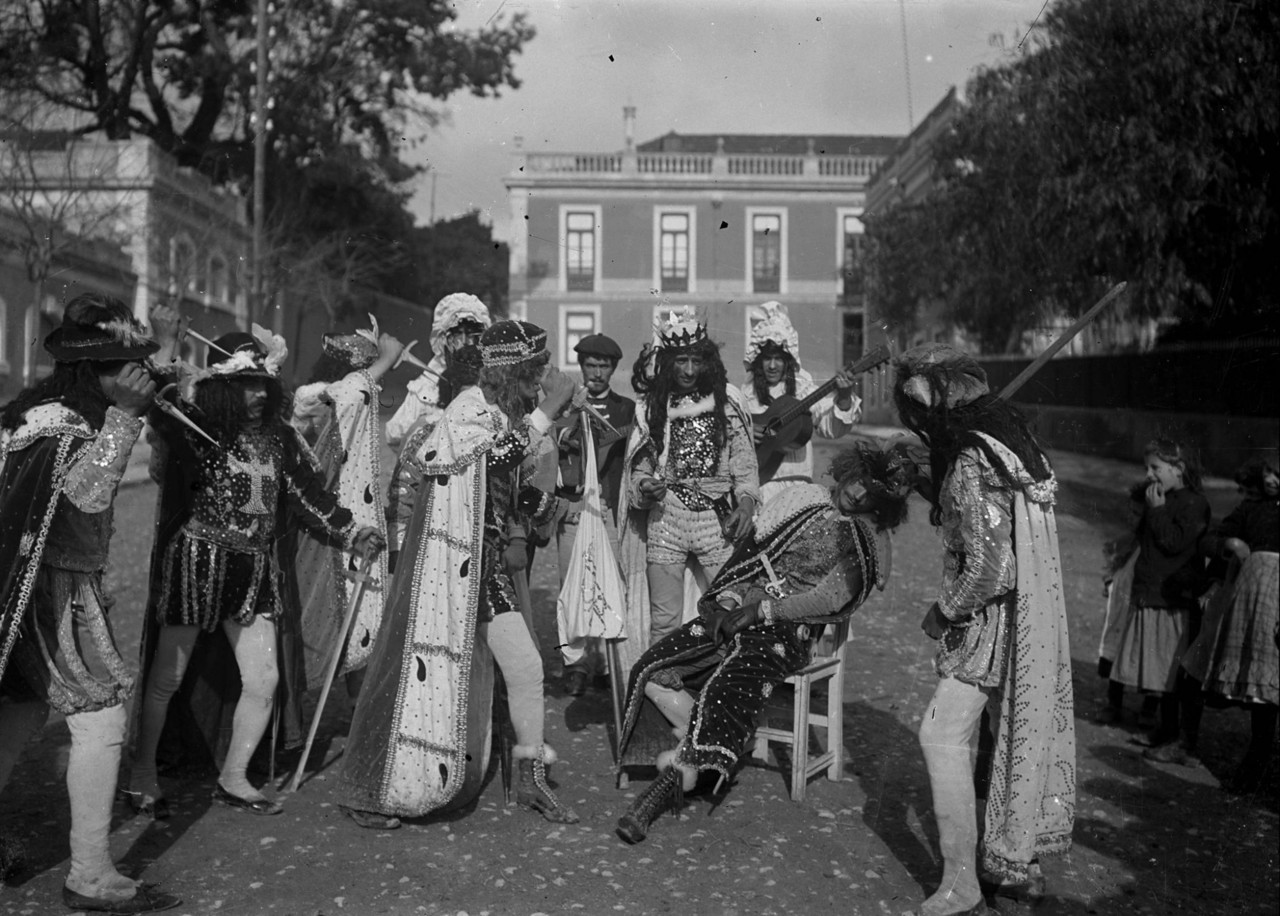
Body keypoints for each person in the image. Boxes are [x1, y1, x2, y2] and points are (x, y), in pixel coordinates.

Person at [127, 327, 383, 819]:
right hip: (197, 565)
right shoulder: (197, 427)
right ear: (224, 386)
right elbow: (158, 403)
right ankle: (141, 772)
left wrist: (352, 532)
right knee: (166, 679)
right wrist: (161, 352)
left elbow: (310, 497)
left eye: (259, 384)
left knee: (263, 679)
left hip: (253, 573)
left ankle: (235, 775)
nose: (254, 394)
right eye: (243, 383)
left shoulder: (280, 438)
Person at [337, 320, 581, 829]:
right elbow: (490, 460)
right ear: (512, 371)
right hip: (448, 573)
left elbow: (505, 488)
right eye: (535, 372)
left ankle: (532, 779)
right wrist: (546, 413)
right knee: (418, 676)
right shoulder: (467, 408)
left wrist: (548, 503)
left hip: (484, 567)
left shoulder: (501, 413)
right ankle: (382, 786)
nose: (540, 382)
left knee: (525, 669)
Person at [613, 439, 916, 844]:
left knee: (730, 684)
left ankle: (672, 781)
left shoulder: (862, 537)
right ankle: (709, 744)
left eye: (872, 494)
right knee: (653, 666)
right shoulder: (803, 498)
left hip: (789, 630)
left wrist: (763, 613)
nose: (858, 493)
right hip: (742, 611)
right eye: (860, 480)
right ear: (848, 470)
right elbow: (753, 560)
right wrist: (729, 600)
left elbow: (830, 599)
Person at [0, 294, 181, 912]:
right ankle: (90, 873)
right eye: (119, 367)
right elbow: (87, 499)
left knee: (19, 721)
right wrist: (126, 418)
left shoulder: (61, 413)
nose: (132, 378)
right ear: (88, 371)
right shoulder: (59, 425)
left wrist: (162, 344)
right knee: (101, 721)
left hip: (50, 593)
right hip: (45, 597)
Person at [894, 343, 1075, 916]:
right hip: (1029, 622)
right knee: (1013, 734)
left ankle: (962, 883)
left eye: (920, 415)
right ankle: (1018, 866)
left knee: (940, 736)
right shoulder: (1010, 444)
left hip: (988, 624)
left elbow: (992, 566)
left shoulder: (974, 457)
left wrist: (944, 610)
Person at [616, 308, 760, 685]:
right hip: (667, 520)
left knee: (733, 611)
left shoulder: (727, 403)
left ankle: (723, 689)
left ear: (708, 361)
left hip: (718, 522)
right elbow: (640, 472)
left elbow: (745, 467)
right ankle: (661, 700)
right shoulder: (651, 408)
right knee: (663, 620)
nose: (689, 370)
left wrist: (746, 503)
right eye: (681, 359)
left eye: (697, 360)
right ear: (667, 361)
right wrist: (647, 488)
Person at [289, 325, 405, 698]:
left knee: (365, 615)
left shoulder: (341, 395)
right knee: (330, 615)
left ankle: (360, 707)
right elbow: (351, 396)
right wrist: (385, 362)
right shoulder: (318, 401)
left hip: (355, 523)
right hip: (327, 525)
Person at [1109, 438, 1211, 760]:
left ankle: (1180, 740)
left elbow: (1172, 543)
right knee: (1162, 673)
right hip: (1156, 596)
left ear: (1178, 468)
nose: (1149, 474)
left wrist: (1158, 511)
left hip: (1175, 600)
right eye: (1147, 468)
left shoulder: (1193, 503)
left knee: (1174, 674)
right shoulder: (1162, 500)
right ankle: (1165, 731)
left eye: (1156, 468)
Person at [1182, 458, 1278, 790]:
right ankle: (1254, 762)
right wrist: (1230, 545)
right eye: (1269, 471)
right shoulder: (1253, 510)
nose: (1272, 479)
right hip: (1252, 608)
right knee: (1261, 690)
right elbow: (1211, 539)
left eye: (1279, 474)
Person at [554, 333, 636, 696]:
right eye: (591, 365)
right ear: (581, 366)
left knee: (611, 585)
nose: (597, 372)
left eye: (604, 366)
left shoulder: (627, 409)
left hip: (610, 509)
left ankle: (607, 666)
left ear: (613, 369)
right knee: (570, 585)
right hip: (574, 508)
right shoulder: (563, 406)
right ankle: (574, 664)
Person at [742, 301, 861, 503]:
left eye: (778, 359)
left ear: (788, 360)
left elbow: (831, 428)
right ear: (758, 360)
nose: (772, 366)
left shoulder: (803, 390)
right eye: (766, 359)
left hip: (797, 490)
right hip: (759, 488)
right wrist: (747, 430)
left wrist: (843, 397)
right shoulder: (746, 393)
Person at [383, 292, 490, 449]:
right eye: (458, 333)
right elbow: (394, 435)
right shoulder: (428, 384)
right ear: (445, 338)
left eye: (472, 333)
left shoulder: (492, 377)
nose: (466, 341)